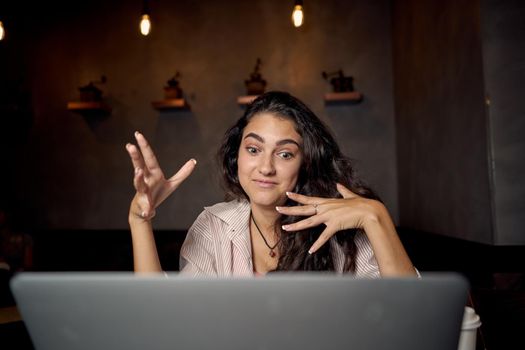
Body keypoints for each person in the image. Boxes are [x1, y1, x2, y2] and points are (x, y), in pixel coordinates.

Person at [126, 91, 417, 277]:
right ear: (236, 156)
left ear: (305, 163)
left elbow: (410, 318)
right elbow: (169, 319)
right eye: (253, 149)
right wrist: (139, 220)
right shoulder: (212, 227)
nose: (266, 167)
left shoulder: (345, 229)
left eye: (285, 153)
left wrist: (374, 215)